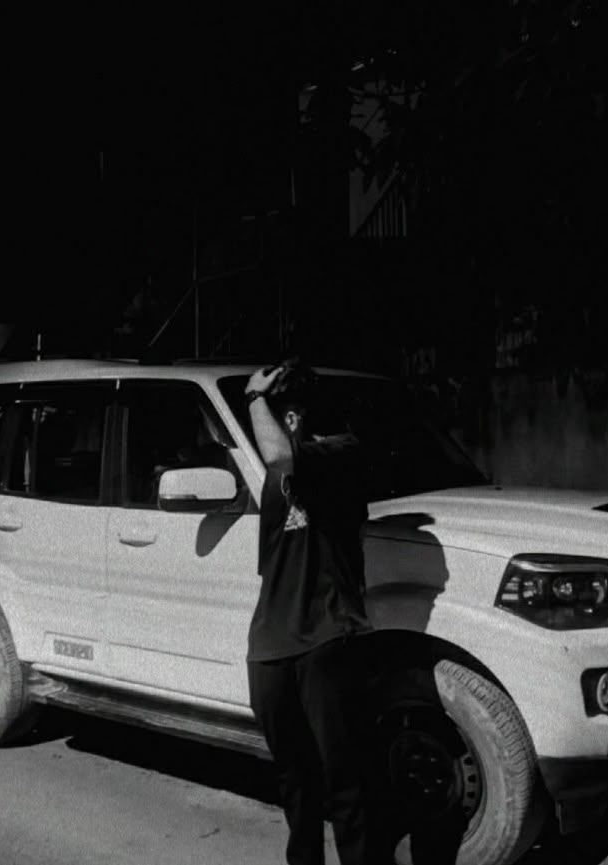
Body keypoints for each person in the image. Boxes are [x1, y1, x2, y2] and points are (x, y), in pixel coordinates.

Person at [245, 359, 378, 865]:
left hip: (326, 636)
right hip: (272, 648)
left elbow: (279, 454)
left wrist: (255, 397)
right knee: (295, 786)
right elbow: (274, 565)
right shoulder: (274, 484)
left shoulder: (340, 453)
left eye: (277, 412)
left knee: (346, 785)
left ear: (293, 416)